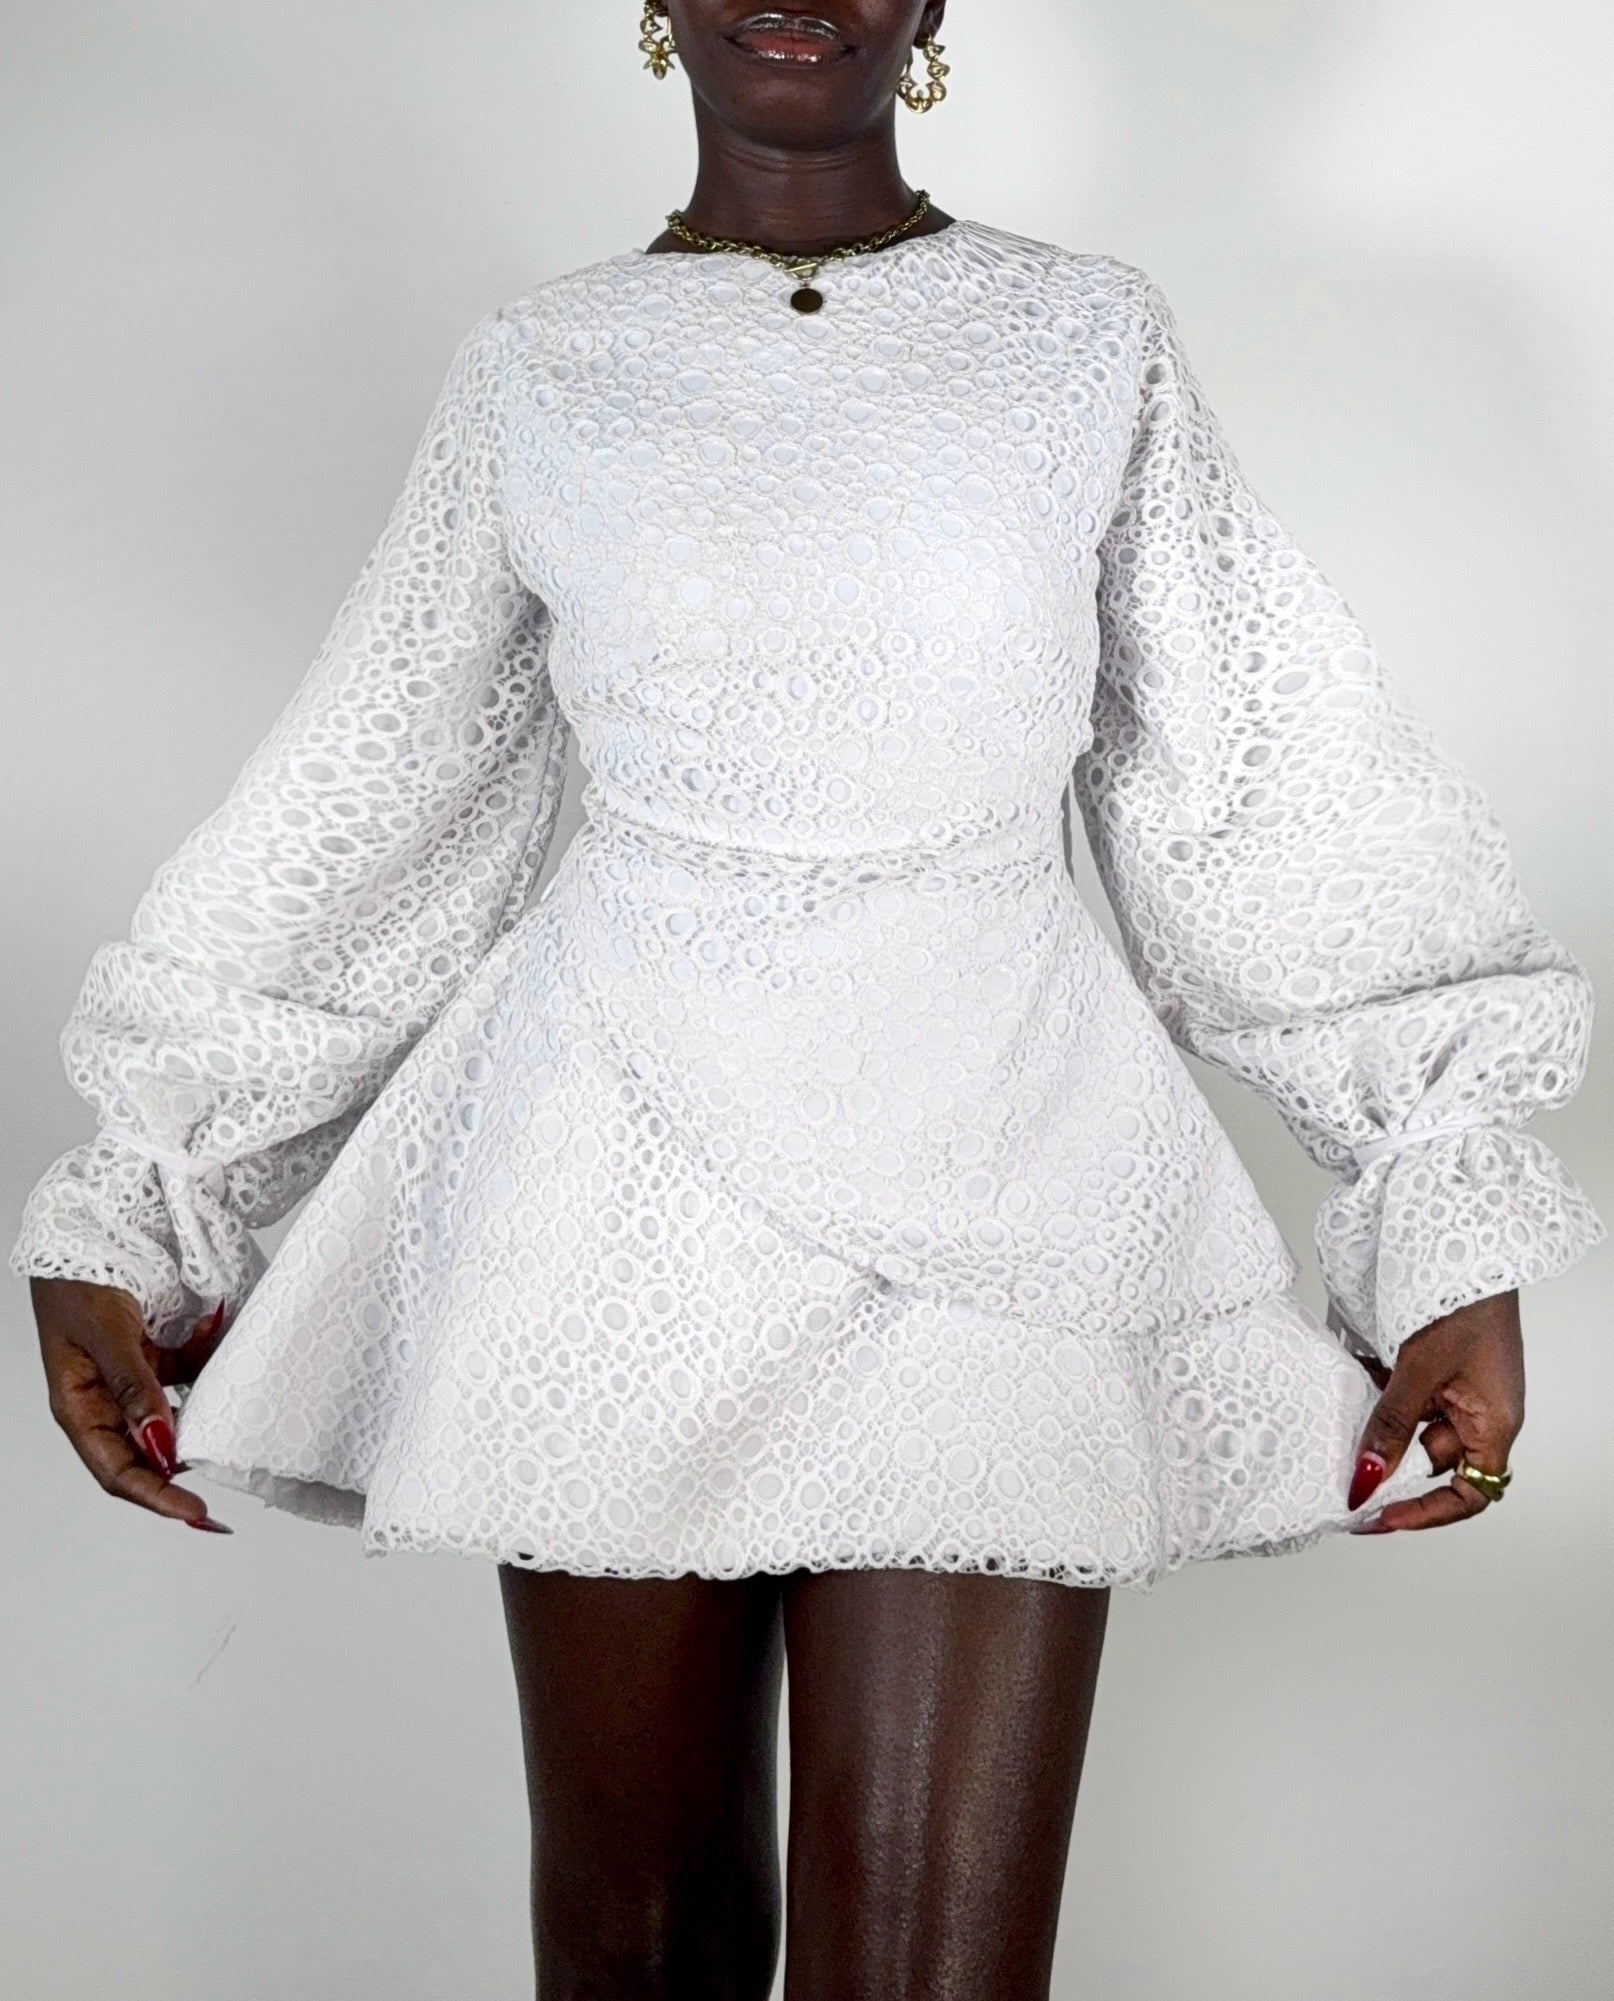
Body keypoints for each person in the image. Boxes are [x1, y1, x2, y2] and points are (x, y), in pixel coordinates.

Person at [13, 3, 1604, 1994]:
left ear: (933, 8)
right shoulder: (542, 364)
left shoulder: (1082, 337)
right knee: (640, 1940)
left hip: (1008, 1171)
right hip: (612, 1173)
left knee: (936, 1964)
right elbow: (383, 786)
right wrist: (147, 1195)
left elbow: (1257, 782)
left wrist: (1439, 1213)